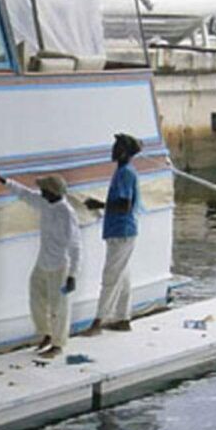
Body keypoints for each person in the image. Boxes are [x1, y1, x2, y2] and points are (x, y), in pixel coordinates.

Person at [0, 169, 81, 358]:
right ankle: (45, 334)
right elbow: (24, 194)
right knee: (36, 300)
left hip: (60, 267)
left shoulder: (66, 214)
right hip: (43, 263)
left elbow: (76, 246)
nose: (41, 191)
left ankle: (58, 344)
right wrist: (1, 179)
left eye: (44, 189)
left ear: (52, 192)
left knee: (59, 307)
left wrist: (73, 275)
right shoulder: (46, 203)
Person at [84, 133, 143, 333]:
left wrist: (99, 204)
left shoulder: (125, 173)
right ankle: (123, 319)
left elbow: (124, 205)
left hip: (122, 231)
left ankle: (98, 322)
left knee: (110, 277)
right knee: (122, 276)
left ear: (124, 152)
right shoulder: (123, 171)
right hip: (121, 231)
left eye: (116, 147)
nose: (112, 150)